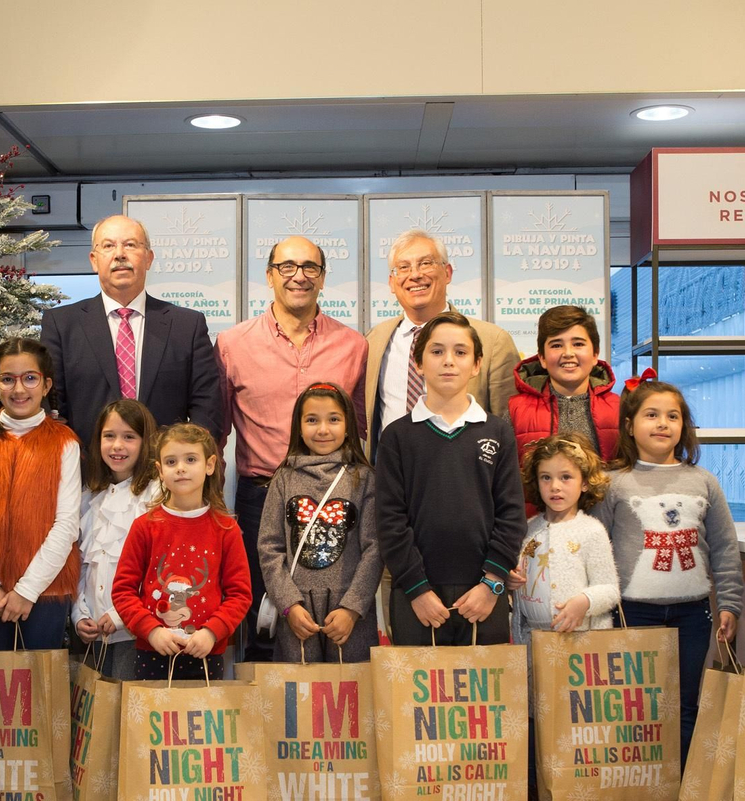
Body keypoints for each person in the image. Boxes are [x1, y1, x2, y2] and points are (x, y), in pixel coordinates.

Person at [375, 310, 525, 801]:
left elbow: (511, 515)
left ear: (478, 363)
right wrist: (416, 588)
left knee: (483, 712)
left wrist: (491, 583)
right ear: (419, 361)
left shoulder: (497, 431)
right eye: (437, 351)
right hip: (419, 596)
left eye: (461, 352)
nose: (449, 361)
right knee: (422, 714)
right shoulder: (398, 437)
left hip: (484, 594)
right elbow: (390, 520)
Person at [595, 374, 743, 801]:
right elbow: (594, 546)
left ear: (685, 427)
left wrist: (731, 603)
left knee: (684, 709)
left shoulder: (704, 481)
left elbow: (724, 548)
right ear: (630, 424)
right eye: (652, 415)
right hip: (631, 614)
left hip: (691, 613)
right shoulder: (613, 483)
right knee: (635, 712)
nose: (663, 423)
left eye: (673, 416)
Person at [217, 235, 368, 662]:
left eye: (310, 267)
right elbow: (217, 434)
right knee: (267, 618)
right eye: (287, 267)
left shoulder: (353, 346)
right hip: (262, 497)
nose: (298, 276)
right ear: (269, 276)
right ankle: (272, 721)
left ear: (322, 278)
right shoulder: (232, 345)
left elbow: (358, 431)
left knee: (335, 622)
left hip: (338, 497)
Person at [508, 433, 620, 801]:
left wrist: (583, 602)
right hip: (533, 647)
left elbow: (611, 587)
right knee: (538, 726)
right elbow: (520, 590)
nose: (555, 487)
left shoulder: (591, 532)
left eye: (565, 478)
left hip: (580, 649)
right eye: (545, 478)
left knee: (583, 731)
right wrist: (511, 581)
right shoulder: (528, 530)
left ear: (585, 482)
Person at [43, 214, 222, 443]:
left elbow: (207, 406)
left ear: (148, 258)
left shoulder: (187, 326)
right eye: (108, 246)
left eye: (130, 245)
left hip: (165, 471)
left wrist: (185, 460)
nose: (119, 254)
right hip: (88, 473)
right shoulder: (61, 325)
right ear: (94, 260)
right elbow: (54, 407)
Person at [0, 337, 82, 652]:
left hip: (45, 591)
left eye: (30, 378)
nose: (19, 389)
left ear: (46, 384)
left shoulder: (64, 442)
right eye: (8, 379)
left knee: (39, 692)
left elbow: (66, 524)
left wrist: (27, 590)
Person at [111, 422, 251, 681]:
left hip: (206, 654)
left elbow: (240, 595)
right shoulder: (144, 527)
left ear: (210, 465)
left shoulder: (226, 529)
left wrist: (211, 632)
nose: (181, 468)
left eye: (190, 459)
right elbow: (123, 591)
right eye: (171, 462)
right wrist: (152, 631)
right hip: (153, 652)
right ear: (160, 470)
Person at [365, 229, 519, 455]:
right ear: (392, 282)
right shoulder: (374, 340)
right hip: (389, 479)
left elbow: (509, 429)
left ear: (447, 272)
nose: (415, 275)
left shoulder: (493, 341)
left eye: (425, 263)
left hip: (465, 477)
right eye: (404, 267)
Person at [257, 382, 381, 664]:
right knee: (299, 698)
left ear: (348, 424)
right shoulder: (284, 478)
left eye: (333, 419)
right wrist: (289, 604)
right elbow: (269, 547)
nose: (323, 429)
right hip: (299, 613)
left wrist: (352, 607)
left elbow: (375, 548)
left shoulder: (364, 479)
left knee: (352, 696)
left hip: (349, 612)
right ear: (298, 426)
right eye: (312, 420)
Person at [73, 398, 161, 679]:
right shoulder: (90, 497)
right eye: (109, 436)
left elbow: (157, 569)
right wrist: (79, 614)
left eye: (129, 437)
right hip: (96, 633)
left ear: (145, 441)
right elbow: (82, 565)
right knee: (96, 714)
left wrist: (121, 615)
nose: (117, 446)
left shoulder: (155, 497)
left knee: (127, 712)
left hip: (135, 631)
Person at [509, 304, 619, 464]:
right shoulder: (516, 411)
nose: (568, 353)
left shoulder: (618, 409)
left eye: (578, 344)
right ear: (542, 358)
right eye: (556, 345)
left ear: (595, 354)